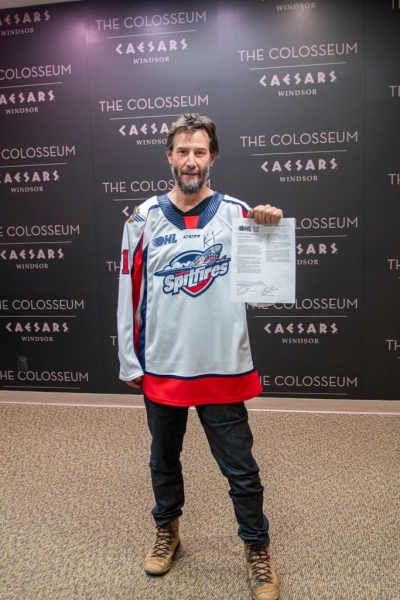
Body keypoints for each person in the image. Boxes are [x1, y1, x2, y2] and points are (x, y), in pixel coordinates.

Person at [117, 113, 282, 600]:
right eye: (183, 151)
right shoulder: (142, 218)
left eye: (200, 152)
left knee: (241, 470)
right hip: (164, 364)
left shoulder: (238, 212)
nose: (191, 160)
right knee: (163, 459)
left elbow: (265, 296)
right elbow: (128, 290)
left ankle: (257, 547)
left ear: (212, 158)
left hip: (222, 365)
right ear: (169, 156)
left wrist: (268, 234)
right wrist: (130, 360)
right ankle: (167, 530)